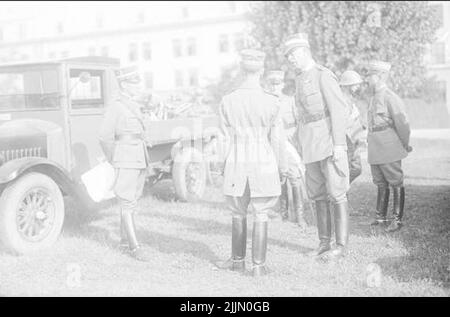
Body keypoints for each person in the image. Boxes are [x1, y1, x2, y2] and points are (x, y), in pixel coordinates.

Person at [216, 49, 288, 276]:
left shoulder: (228, 100)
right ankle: (258, 266)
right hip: (263, 159)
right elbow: (278, 139)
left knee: (237, 212)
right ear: (262, 70)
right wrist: (282, 166)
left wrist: (221, 165)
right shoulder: (271, 101)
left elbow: (223, 138)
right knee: (262, 212)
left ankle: (238, 261)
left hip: (237, 158)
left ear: (241, 68)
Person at [283, 33, 350, 261]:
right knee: (317, 195)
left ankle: (340, 246)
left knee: (336, 192)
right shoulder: (300, 79)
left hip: (328, 142)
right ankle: (323, 243)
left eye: (293, 54)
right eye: (288, 56)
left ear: (304, 51)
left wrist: (339, 144)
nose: (290, 59)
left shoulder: (323, 75)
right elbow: (302, 116)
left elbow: (339, 110)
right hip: (310, 144)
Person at [99, 66, 152, 261]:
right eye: (134, 83)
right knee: (127, 202)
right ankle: (134, 247)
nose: (138, 86)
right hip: (126, 157)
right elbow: (104, 136)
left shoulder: (131, 104)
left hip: (138, 156)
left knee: (132, 200)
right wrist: (115, 158)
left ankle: (124, 241)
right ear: (124, 84)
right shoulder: (116, 106)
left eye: (138, 82)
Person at [364, 60, 412, 232]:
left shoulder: (390, 98)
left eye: (370, 76)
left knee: (395, 181)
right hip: (375, 147)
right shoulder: (373, 98)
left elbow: (403, 125)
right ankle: (380, 218)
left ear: (381, 76)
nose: (367, 79)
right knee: (380, 182)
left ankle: (397, 220)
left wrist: (404, 145)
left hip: (389, 146)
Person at [264, 70, 309, 229]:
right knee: (279, 177)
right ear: (268, 85)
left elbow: (300, 122)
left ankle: (300, 216)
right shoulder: (266, 103)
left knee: (294, 177)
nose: (275, 87)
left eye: (278, 84)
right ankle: (283, 213)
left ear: (282, 84)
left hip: (289, 143)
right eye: (272, 84)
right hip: (273, 145)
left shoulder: (290, 101)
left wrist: (298, 143)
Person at [339, 70, 367, 184]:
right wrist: (353, 118)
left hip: (353, 139)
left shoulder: (350, 99)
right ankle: (338, 194)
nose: (358, 86)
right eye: (355, 84)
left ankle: (340, 192)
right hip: (345, 140)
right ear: (347, 85)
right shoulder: (341, 100)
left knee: (355, 169)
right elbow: (342, 123)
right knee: (350, 170)